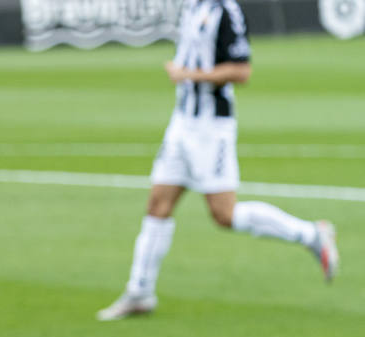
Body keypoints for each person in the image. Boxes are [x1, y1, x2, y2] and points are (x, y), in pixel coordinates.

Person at [98, 0, 339, 320]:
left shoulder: (226, 11)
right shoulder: (191, 7)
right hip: (181, 123)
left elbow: (241, 71)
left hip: (211, 130)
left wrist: (189, 74)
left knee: (224, 214)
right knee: (158, 204)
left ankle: (310, 234)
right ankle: (140, 292)